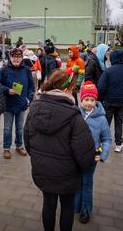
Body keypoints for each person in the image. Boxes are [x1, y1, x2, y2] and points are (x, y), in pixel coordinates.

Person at [23, 69, 95, 231]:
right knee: (67, 206)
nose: (73, 92)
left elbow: (27, 139)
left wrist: (37, 159)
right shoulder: (74, 116)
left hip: (42, 170)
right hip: (67, 174)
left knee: (48, 204)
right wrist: (84, 170)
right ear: (64, 90)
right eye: (71, 88)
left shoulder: (34, 109)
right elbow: (84, 153)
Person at [74, 81, 112, 223]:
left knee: (87, 182)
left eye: (92, 100)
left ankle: (86, 209)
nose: (89, 103)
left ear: (96, 101)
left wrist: (102, 155)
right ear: (81, 99)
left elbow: (107, 139)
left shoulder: (102, 119)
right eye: (86, 100)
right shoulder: (75, 114)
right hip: (76, 156)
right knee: (77, 181)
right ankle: (76, 205)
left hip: (91, 157)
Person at [98, 49, 123, 152]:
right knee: (119, 122)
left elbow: (101, 88)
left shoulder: (108, 71)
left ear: (112, 59)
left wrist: (101, 99)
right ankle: (119, 144)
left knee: (106, 122)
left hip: (108, 101)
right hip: (121, 101)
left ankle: (102, 143)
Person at [0, 48, 34, 159]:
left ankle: (19, 146)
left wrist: (29, 99)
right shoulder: (4, 70)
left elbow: (31, 86)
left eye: (19, 57)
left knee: (20, 128)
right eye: (14, 57)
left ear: (22, 58)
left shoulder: (26, 70)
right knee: (7, 128)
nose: (16, 59)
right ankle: (6, 148)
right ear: (10, 57)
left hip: (21, 104)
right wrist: (7, 90)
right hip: (8, 104)